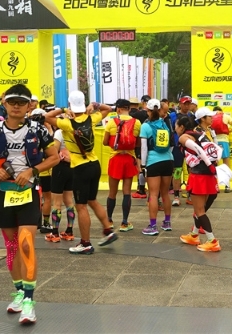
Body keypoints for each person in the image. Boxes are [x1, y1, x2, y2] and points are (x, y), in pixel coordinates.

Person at [0, 85, 59, 325]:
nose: (17, 106)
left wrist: (32, 170)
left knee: (26, 243)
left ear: (29, 105)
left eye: (21, 102)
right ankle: (19, 292)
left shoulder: (38, 129)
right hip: (4, 193)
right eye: (12, 102)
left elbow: (54, 157)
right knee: (11, 247)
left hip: (29, 192)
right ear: (5, 103)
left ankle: (29, 301)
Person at [45, 91, 116, 254]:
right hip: (94, 164)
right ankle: (108, 229)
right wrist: (94, 106)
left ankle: (85, 243)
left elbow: (47, 117)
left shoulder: (67, 123)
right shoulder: (92, 118)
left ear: (70, 104)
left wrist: (63, 110)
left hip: (80, 167)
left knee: (81, 206)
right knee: (92, 200)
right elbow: (108, 108)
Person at [176, 114, 221, 252]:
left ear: (181, 127)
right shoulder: (200, 134)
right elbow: (216, 149)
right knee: (198, 210)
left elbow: (198, 150)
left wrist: (209, 165)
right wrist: (212, 167)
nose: (175, 128)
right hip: (208, 175)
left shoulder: (184, 137)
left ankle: (212, 241)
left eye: (176, 126)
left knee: (200, 211)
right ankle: (194, 235)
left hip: (200, 175)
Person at [103, 99, 141, 232]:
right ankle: (124, 222)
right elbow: (137, 143)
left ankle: (109, 220)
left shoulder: (111, 122)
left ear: (118, 109)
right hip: (129, 159)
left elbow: (105, 142)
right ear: (129, 109)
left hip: (115, 159)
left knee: (112, 192)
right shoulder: (137, 123)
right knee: (127, 192)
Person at [140, 98, 174, 235]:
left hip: (153, 161)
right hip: (168, 160)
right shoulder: (165, 124)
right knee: (165, 193)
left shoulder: (145, 126)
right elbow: (171, 144)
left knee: (153, 194)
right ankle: (167, 222)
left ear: (147, 110)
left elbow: (144, 148)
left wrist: (143, 165)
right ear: (160, 110)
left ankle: (153, 226)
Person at [42, 113, 76, 243]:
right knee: (69, 201)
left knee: (56, 203)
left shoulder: (60, 133)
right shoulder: (76, 132)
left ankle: (55, 233)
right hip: (73, 166)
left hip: (60, 168)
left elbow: (54, 151)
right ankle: (69, 231)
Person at [165, 96, 195, 204]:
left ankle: (190, 195)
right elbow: (169, 129)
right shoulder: (173, 115)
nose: (187, 106)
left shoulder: (192, 116)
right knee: (177, 171)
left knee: (192, 171)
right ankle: (176, 196)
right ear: (180, 104)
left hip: (189, 147)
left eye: (189, 104)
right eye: (185, 104)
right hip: (177, 147)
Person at [210, 106, 232, 192]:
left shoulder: (210, 117)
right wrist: (229, 131)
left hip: (213, 142)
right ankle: (227, 186)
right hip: (224, 141)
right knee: (226, 164)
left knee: (214, 164)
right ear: (221, 111)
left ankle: (215, 187)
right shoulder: (225, 116)